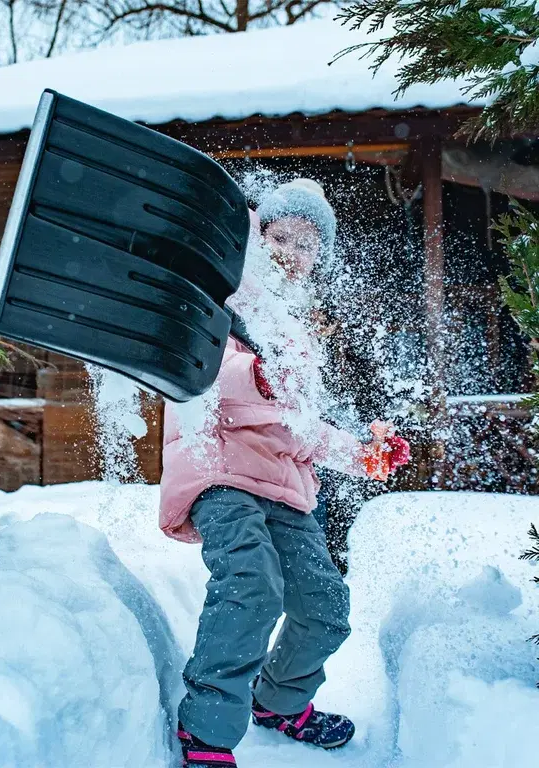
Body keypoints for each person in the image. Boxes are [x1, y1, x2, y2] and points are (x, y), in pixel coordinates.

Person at [159, 179, 410, 767]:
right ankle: (207, 733)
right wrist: (259, 379)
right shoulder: (223, 293)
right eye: (283, 239)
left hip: (283, 485)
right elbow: (204, 375)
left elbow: (300, 426)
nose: (293, 254)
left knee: (325, 606)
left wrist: (363, 454)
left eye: (307, 246)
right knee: (251, 585)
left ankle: (279, 702)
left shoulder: (294, 329)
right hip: (221, 471)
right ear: (258, 238)